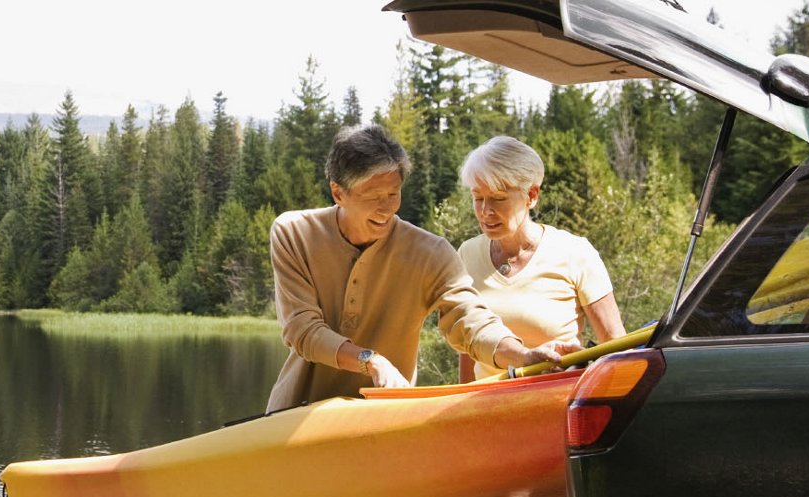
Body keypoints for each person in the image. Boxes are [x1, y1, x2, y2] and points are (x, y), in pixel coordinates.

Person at [265, 125, 572, 412]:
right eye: (373, 197)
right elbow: (302, 330)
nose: (387, 209)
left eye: (393, 194)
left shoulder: (431, 252)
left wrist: (522, 355)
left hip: (385, 419)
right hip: (296, 415)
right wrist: (370, 361)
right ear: (338, 193)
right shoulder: (294, 233)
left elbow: (471, 320)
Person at [456, 135, 626, 383]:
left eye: (498, 198)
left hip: (557, 404)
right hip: (486, 409)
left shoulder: (575, 252)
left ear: (531, 195)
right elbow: (467, 348)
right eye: (478, 197)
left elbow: (615, 345)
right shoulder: (466, 254)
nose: (485, 211)